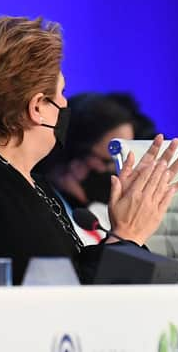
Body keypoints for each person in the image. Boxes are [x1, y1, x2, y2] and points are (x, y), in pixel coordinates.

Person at [0, 16, 178, 285]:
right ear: (37, 108)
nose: (64, 103)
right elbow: (66, 305)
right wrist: (127, 234)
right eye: (61, 92)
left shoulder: (20, 178)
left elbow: (73, 272)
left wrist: (121, 236)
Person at [35, 92, 137, 244]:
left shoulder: (103, 214)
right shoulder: (42, 212)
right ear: (74, 156)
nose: (118, 171)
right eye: (108, 161)